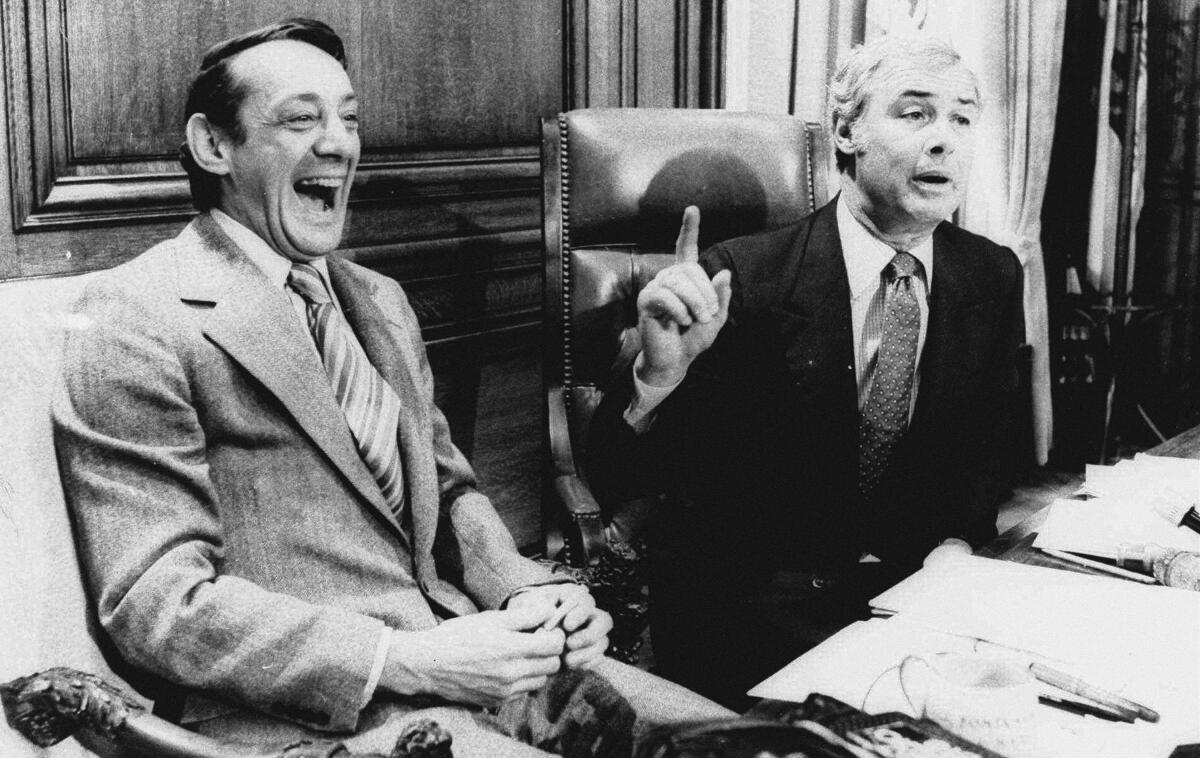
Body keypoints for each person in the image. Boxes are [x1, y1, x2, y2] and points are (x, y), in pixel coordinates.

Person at [51, 18, 731, 757]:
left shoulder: (378, 300)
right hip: (315, 721)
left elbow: (451, 492)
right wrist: (400, 659)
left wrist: (526, 593)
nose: (340, 144)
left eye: (348, 118)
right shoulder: (136, 315)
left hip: (475, 665)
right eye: (301, 119)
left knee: (750, 744)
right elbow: (157, 603)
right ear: (215, 145)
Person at [588, 33, 1026, 710]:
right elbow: (619, 478)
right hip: (757, 616)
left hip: (921, 601)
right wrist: (657, 375)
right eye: (915, 114)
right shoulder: (742, 277)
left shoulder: (993, 274)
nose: (946, 140)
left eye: (962, 117)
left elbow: (992, 450)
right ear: (848, 132)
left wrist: (955, 548)